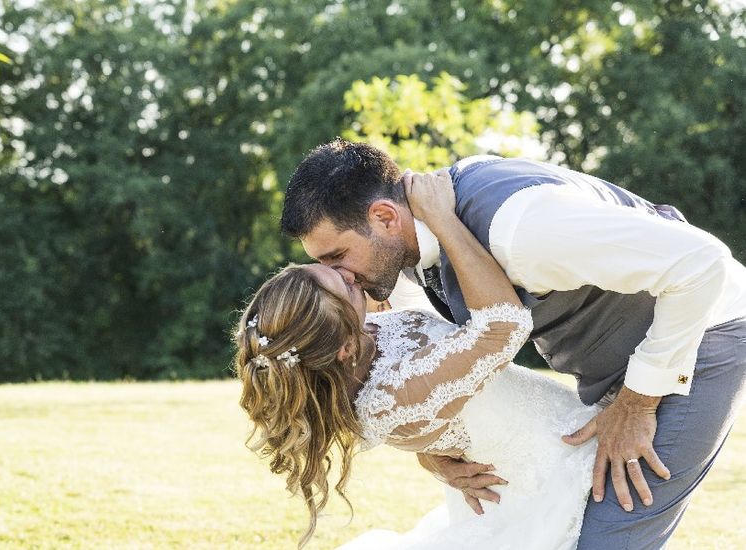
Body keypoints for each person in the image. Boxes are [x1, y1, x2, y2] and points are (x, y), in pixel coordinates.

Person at [280, 139, 746, 549]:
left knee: (606, 539)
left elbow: (701, 263)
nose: (339, 277)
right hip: (612, 367)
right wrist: (428, 439)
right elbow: (412, 341)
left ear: (384, 217)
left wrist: (639, 403)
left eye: (337, 256)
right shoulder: (406, 245)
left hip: (702, 335)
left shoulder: (519, 228)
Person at [235, 170, 601, 549]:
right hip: (551, 485)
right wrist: (443, 218)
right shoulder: (392, 398)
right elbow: (503, 326)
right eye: (343, 285)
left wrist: (429, 451)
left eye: (330, 267)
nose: (348, 274)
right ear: (343, 348)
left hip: (556, 449)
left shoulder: (358, 336)